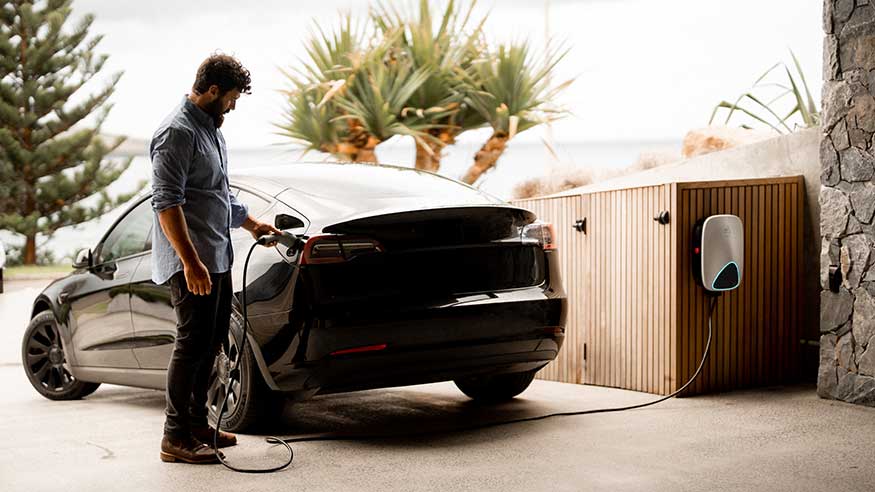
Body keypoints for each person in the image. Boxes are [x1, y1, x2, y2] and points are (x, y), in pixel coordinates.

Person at [150, 53, 280, 464]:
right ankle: (175, 437)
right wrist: (190, 262)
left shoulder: (212, 131)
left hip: (217, 256)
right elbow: (166, 204)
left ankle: (197, 424)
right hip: (192, 263)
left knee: (211, 345)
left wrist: (254, 225)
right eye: (232, 97)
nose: (234, 105)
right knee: (190, 346)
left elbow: (219, 195)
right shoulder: (176, 133)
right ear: (211, 90)